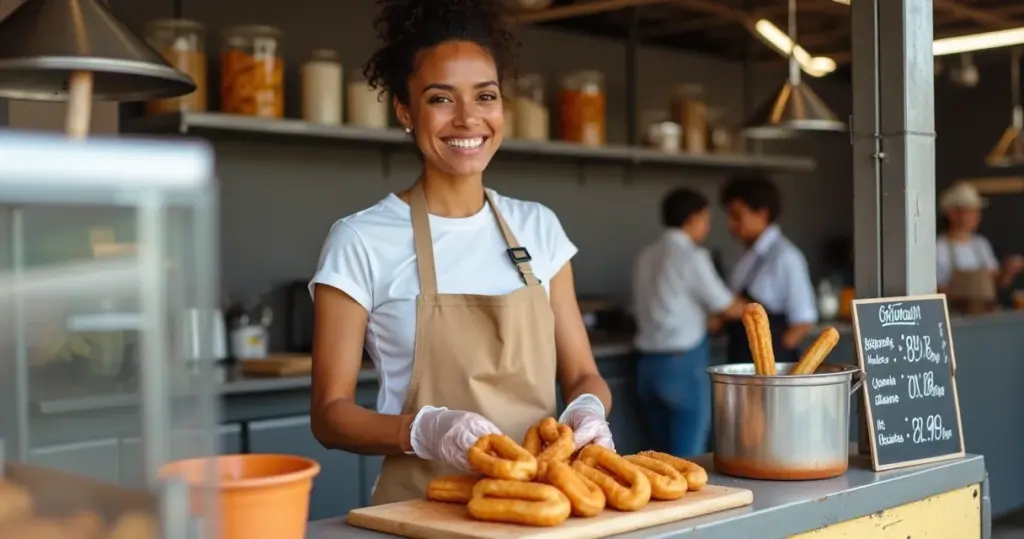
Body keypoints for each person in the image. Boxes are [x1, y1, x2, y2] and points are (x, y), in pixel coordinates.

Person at [307, 0, 614, 506]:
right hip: (421, 509)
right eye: (441, 99)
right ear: (405, 111)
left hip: (539, 507)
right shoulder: (361, 240)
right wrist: (423, 430)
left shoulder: (539, 227)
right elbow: (329, 415)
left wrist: (586, 408)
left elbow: (582, 372)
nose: (468, 118)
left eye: (485, 96)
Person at [632, 188, 744, 457]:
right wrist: (754, 307)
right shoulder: (692, 256)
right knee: (688, 461)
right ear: (693, 218)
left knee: (657, 462)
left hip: (645, 367)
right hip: (682, 366)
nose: (707, 226)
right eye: (706, 219)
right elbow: (727, 306)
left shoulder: (645, 257)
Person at [719, 176, 817, 365]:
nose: (731, 225)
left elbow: (803, 320)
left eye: (737, 216)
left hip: (771, 365)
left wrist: (775, 362)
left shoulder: (786, 256)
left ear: (762, 213)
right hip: (740, 358)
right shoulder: (743, 255)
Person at [937, 182, 1024, 313]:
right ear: (952, 214)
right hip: (955, 317)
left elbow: (996, 283)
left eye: (977, 211)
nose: (977, 216)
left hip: (985, 315)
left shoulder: (981, 244)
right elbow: (935, 289)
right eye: (970, 211)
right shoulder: (939, 247)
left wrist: (1008, 270)